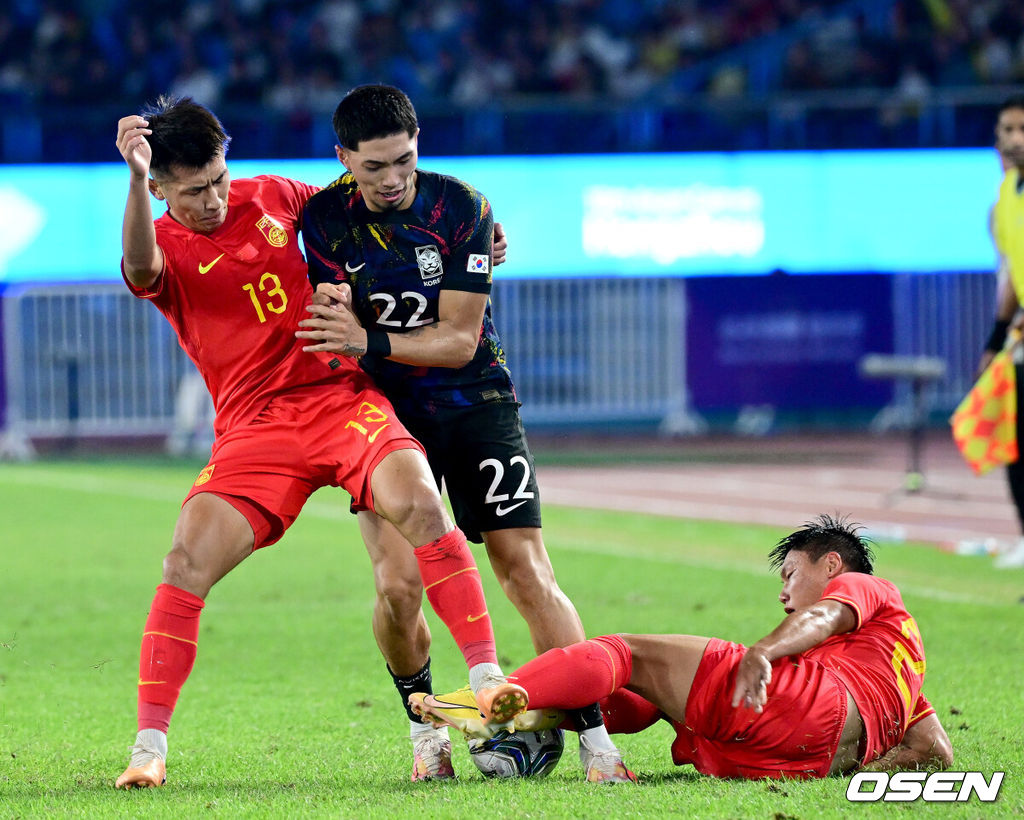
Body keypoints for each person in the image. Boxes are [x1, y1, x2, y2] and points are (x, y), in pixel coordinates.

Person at [112, 96, 523, 789]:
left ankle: (486, 678)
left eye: (217, 179)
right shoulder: (163, 245)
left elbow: (366, 197)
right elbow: (141, 266)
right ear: (158, 189)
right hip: (257, 428)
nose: (213, 200)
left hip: (342, 401)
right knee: (185, 561)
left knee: (423, 507)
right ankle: (148, 748)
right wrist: (131, 176)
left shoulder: (274, 194)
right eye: (191, 192)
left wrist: (469, 232)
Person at [294, 84, 633, 783]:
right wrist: (343, 330)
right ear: (343, 160)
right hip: (383, 419)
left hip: (477, 400)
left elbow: (455, 340)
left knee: (525, 570)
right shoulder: (325, 219)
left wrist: (367, 338)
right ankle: (426, 739)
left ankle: (600, 745)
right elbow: (331, 319)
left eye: (405, 161)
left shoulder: (462, 208)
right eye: (374, 168)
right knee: (396, 587)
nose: (392, 180)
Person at [413, 514, 953, 780]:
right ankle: (542, 717)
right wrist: (860, 771)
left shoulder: (869, 590)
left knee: (626, 652)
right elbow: (935, 752)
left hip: (808, 707)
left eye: (791, 573)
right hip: (790, 762)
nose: (784, 591)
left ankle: (496, 693)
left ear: (831, 565)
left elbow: (824, 615)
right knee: (649, 699)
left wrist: (765, 651)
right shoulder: (902, 668)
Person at [977, 93, 1024, 569]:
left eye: (1023, 130)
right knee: (1016, 442)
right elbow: (1012, 271)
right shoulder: (1005, 196)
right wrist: (995, 336)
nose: (1015, 140)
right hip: (1020, 337)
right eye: (1007, 131)